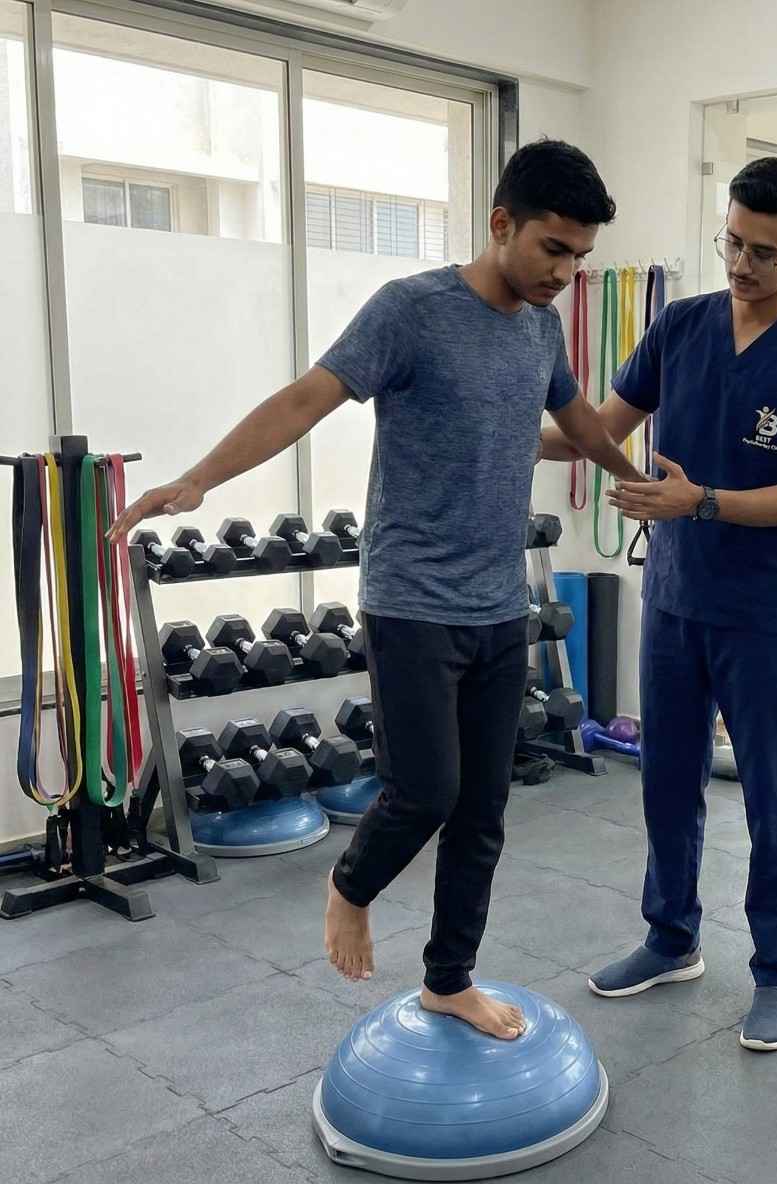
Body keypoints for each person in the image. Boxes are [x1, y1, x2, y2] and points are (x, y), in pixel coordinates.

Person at [109, 139, 647, 1040]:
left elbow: (573, 418)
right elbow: (303, 400)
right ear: (501, 223)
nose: (566, 272)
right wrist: (199, 481)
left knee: (484, 810)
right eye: (553, 248)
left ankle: (449, 979)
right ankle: (348, 887)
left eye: (580, 256)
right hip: (410, 600)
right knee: (424, 793)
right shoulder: (410, 312)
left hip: (497, 604)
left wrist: (630, 477)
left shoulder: (541, 329)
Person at [540, 156, 777, 1052]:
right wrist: (491, 435)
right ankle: (671, 938)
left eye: (765, 250)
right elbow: (598, 428)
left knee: (772, 799)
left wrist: (701, 500)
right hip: (674, 602)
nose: (742, 264)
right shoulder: (679, 326)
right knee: (667, 782)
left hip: (759, 612)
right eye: (731, 241)